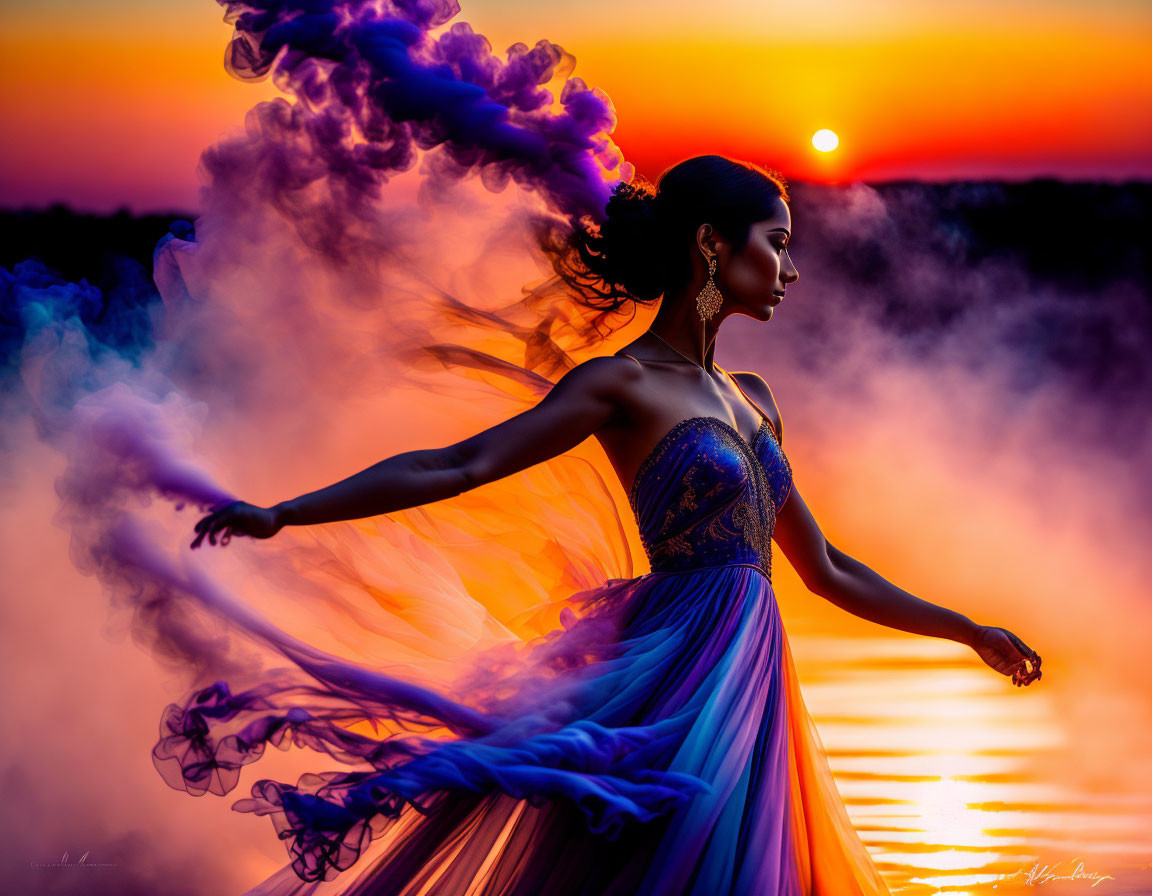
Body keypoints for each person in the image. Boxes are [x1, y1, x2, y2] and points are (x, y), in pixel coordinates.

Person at [184, 155, 1041, 895]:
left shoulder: (757, 402)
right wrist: (286, 512)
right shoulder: (620, 384)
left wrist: (965, 632)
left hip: (753, 677)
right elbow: (459, 464)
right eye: (776, 242)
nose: (790, 266)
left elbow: (826, 569)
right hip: (674, 676)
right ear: (712, 242)